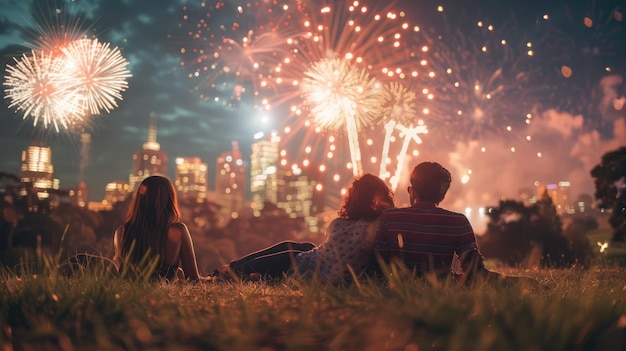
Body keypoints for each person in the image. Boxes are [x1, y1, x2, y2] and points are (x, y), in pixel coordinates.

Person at [219, 173, 395, 283]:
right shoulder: (377, 226)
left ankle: (229, 271)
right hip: (316, 264)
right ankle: (231, 270)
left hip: (309, 268)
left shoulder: (338, 224)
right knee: (302, 247)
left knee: (290, 251)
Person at [373, 162, 496, 283]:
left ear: (412, 190)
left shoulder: (389, 217)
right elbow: (474, 269)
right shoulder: (458, 221)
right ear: (442, 195)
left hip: (396, 286)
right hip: (441, 286)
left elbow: (378, 261)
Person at [113, 175, 208, 282]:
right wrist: (214, 279)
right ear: (169, 201)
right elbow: (193, 279)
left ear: (139, 201)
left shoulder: (121, 232)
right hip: (161, 297)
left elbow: (120, 271)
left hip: (128, 297)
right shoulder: (177, 231)